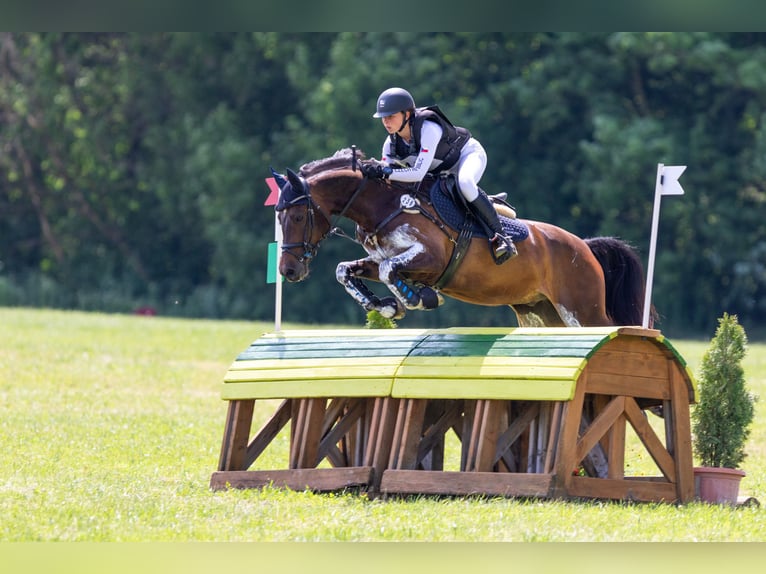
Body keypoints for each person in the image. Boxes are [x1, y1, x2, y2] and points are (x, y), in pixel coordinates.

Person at [364, 86, 517, 263]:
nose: (386, 121)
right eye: (383, 117)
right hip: (442, 172)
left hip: (468, 156)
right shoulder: (390, 144)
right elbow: (387, 175)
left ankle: (502, 237)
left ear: (407, 114)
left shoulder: (428, 128)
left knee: (465, 183)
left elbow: (417, 173)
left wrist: (385, 172)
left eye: (391, 116)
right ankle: (484, 203)